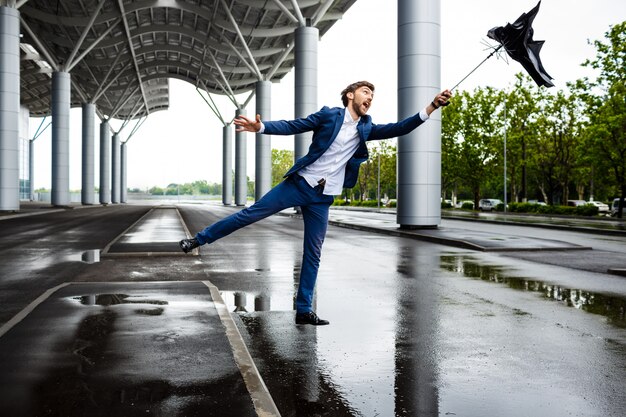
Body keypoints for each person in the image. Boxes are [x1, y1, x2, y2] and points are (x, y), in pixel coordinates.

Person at [180, 81, 452, 325]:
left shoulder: (366, 127)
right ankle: (198, 240)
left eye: (373, 95)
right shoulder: (329, 115)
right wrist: (260, 127)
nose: (370, 97)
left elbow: (399, 128)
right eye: (366, 92)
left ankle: (303, 310)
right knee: (249, 215)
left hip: (322, 198)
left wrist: (431, 107)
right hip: (298, 185)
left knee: (313, 252)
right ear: (349, 95)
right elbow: (293, 125)